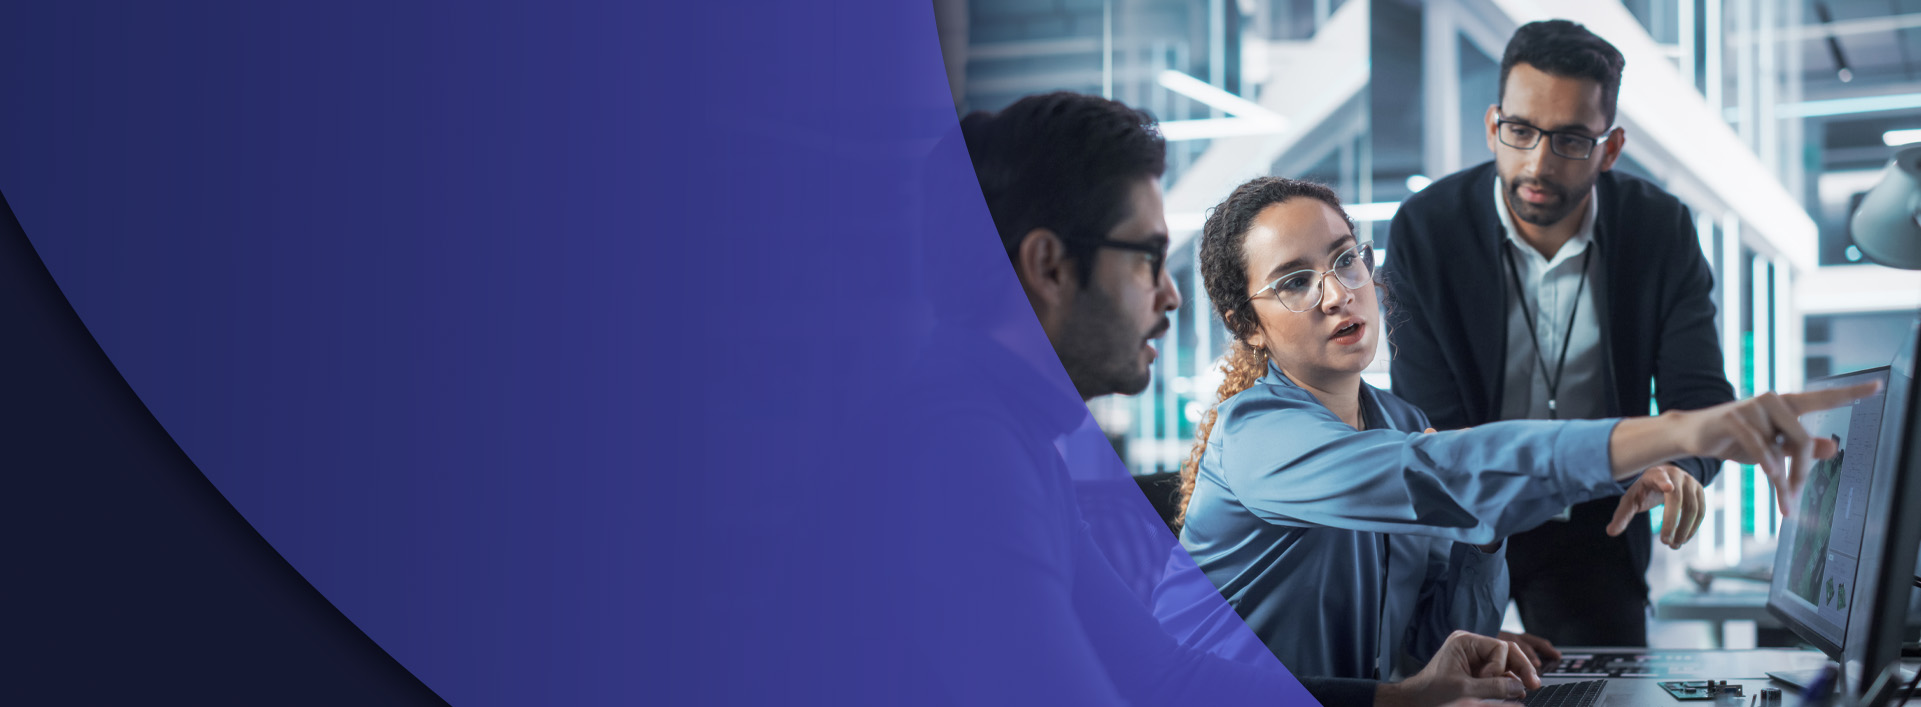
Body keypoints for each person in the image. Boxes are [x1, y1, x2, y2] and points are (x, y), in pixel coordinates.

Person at [913, 91, 1548, 706]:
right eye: (1146, 258)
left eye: (1347, 260)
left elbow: (1163, 677)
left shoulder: (1018, 448)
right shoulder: (963, 459)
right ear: (1050, 266)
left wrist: (1399, 698)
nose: (1169, 295)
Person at [1171, 176, 1873, 685]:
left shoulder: (1396, 420)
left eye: (1344, 257)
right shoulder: (1253, 433)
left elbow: (1428, 634)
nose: (1336, 292)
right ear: (1245, 325)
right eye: (1294, 281)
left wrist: (1470, 635)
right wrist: (1659, 435)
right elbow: (1439, 473)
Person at [1379, 19, 1737, 648]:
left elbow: (1700, 398)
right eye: (1520, 132)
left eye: (1572, 139)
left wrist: (1676, 463)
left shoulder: (1660, 229)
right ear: (1494, 126)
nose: (1538, 162)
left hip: (1600, 522)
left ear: (1611, 147)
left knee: (1606, 688)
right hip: (1463, 512)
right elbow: (1428, 417)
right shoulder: (1425, 229)